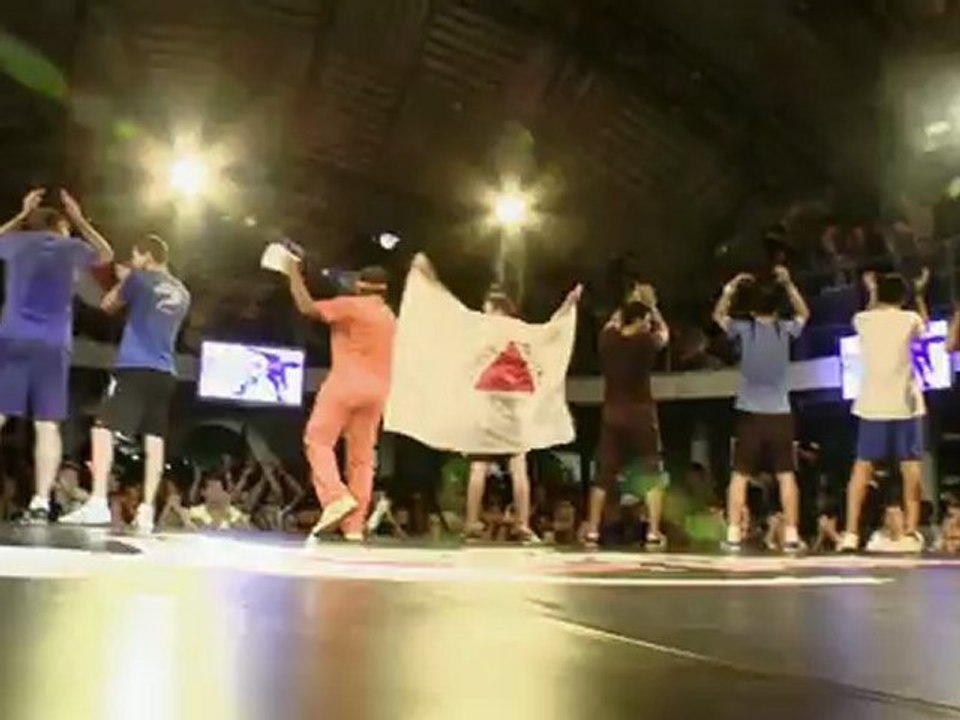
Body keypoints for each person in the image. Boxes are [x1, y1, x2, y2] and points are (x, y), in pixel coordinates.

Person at [62, 234, 190, 531]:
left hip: (134, 367)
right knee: (154, 438)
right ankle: (147, 510)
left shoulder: (138, 277)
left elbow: (107, 305)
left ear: (147, 256)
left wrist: (125, 280)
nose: (133, 261)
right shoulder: (183, 291)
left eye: (135, 256)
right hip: (165, 371)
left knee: (102, 428)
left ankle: (97, 502)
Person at [0, 189, 114, 521]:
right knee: (47, 423)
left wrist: (21, 215)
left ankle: (39, 500)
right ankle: (40, 501)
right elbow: (106, 254)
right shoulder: (71, 248)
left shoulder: (18, 243)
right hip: (52, 344)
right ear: (61, 226)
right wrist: (79, 219)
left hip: (13, 338)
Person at [286, 256, 396, 542]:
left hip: (345, 384)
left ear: (360, 285)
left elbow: (307, 307)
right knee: (362, 458)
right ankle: (354, 526)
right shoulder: (389, 317)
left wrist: (292, 273)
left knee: (318, 440)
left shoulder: (351, 306)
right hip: (378, 391)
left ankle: (335, 497)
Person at [712, 266, 810, 553]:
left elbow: (718, 316)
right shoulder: (784, 329)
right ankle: (791, 534)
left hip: (750, 415)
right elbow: (804, 313)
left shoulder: (745, 329)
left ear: (753, 309)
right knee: (786, 475)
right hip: (780, 414)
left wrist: (730, 288)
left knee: (740, 475)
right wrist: (789, 284)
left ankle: (733, 533)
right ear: (777, 309)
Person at [839, 271, 929, 553]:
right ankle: (911, 532)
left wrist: (872, 291)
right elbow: (924, 327)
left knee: (862, 469)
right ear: (903, 297)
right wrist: (920, 295)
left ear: (878, 295)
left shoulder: (863, 319)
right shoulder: (911, 318)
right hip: (906, 404)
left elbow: (868, 312)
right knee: (910, 468)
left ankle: (851, 533)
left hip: (872, 405)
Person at [581, 282, 670, 550]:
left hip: (612, 414)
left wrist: (629, 303)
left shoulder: (608, 341)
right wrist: (652, 306)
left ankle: (592, 529)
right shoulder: (645, 342)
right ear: (641, 320)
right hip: (641, 415)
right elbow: (664, 334)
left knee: (603, 474)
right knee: (652, 471)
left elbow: (612, 322)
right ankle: (653, 531)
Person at [464, 286, 541, 544]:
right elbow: (536, 366)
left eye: (487, 309)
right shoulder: (523, 333)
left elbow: (471, 363)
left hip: (487, 396)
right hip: (517, 399)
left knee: (479, 463)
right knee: (518, 464)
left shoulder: (483, 332)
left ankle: (472, 522)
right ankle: (522, 523)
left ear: (498, 309)